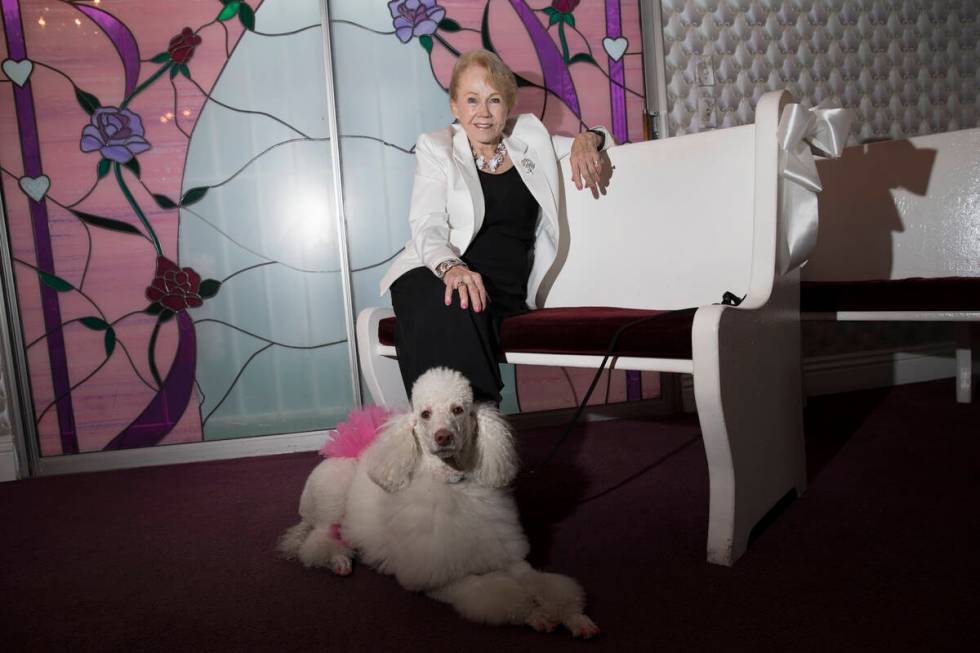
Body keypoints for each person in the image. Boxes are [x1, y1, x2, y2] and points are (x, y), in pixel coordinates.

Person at [379, 49, 612, 403]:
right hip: (437, 271)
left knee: (450, 311)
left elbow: (605, 138)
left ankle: (440, 433)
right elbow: (426, 224)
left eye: (494, 100)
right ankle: (482, 416)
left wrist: (587, 140)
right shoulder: (436, 148)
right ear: (455, 107)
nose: (483, 113)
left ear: (508, 106)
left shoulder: (531, 140)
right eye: (471, 100)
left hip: (502, 289)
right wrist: (452, 268)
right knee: (446, 297)